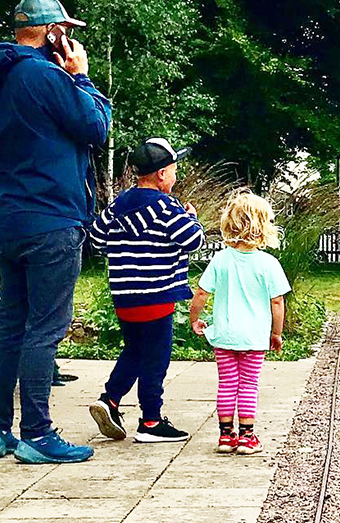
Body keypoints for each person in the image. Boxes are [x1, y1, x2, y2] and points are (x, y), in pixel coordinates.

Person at [0, 0, 111, 464]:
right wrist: (82, 77)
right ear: (54, 33)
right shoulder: (46, 75)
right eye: (64, 31)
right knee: (45, 327)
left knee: (9, 325)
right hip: (51, 218)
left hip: (8, 216)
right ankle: (39, 434)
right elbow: (96, 126)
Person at [87, 138, 203, 444]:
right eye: (175, 170)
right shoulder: (167, 207)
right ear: (162, 174)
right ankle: (151, 420)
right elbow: (193, 241)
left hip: (125, 296)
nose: (176, 176)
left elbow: (97, 239)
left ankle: (110, 400)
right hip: (156, 294)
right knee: (156, 358)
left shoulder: (118, 204)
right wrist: (191, 217)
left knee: (135, 350)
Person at [188, 191, 291, 456]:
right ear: (263, 227)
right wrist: (276, 333)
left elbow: (201, 293)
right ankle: (247, 437)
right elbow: (277, 303)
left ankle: (225, 436)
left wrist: (195, 318)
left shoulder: (220, 259)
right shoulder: (269, 264)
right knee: (248, 385)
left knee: (226, 383)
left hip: (223, 335)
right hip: (254, 338)